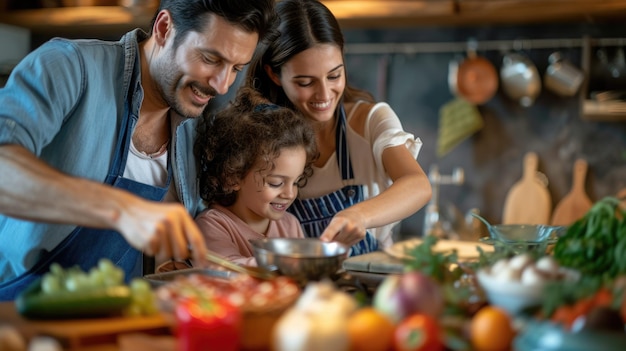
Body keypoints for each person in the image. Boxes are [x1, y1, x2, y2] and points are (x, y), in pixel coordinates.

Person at [0, 0, 278, 300]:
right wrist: (122, 209)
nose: (222, 85)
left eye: (236, 68)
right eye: (210, 59)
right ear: (163, 28)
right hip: (18, 314)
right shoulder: (69, 67)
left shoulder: (192, 128)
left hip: (115, 324)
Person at [246, 0, 432, 256]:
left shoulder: (370, 121)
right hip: (297, 286)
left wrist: (360, 214)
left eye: (334, 76)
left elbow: (418, 184)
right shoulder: (258, 136)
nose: (324, 94)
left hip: (367, 282)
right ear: (275, 75)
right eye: (305, 82)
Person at [193, 87, 318, 266]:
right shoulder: (213, 225)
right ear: (232, 177)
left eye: (296, 182)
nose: (289, 194)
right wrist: (289, 263)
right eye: (276, 183)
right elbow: (227, 272)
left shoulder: (290, 225)